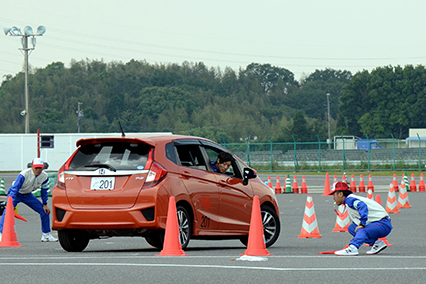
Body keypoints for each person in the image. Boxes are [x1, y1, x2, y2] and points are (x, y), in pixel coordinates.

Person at [0, 158, 57, 242]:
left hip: (28, 195)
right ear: (32, 167)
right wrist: (10, 200)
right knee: (7, 212)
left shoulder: (44, 176)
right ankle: (1, 234)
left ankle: (46, 235)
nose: (38, 170)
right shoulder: (24, 174)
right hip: (16, 194)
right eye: (36, 168)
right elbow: (15, 188)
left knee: (45, 211)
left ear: (43, 168)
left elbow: (44, 190)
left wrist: (45, 203)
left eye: (40, 168)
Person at [330, 181, 392, 256]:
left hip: (382, 224)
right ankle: (378, 243)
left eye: (334, 195)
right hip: (379, 223)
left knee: (361, 229)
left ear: (340, 194)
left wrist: (362, 223)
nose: (333, 198)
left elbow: (362, 206)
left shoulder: (350, 200)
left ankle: (353, 248)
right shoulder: (350, 200)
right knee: (352, 228)